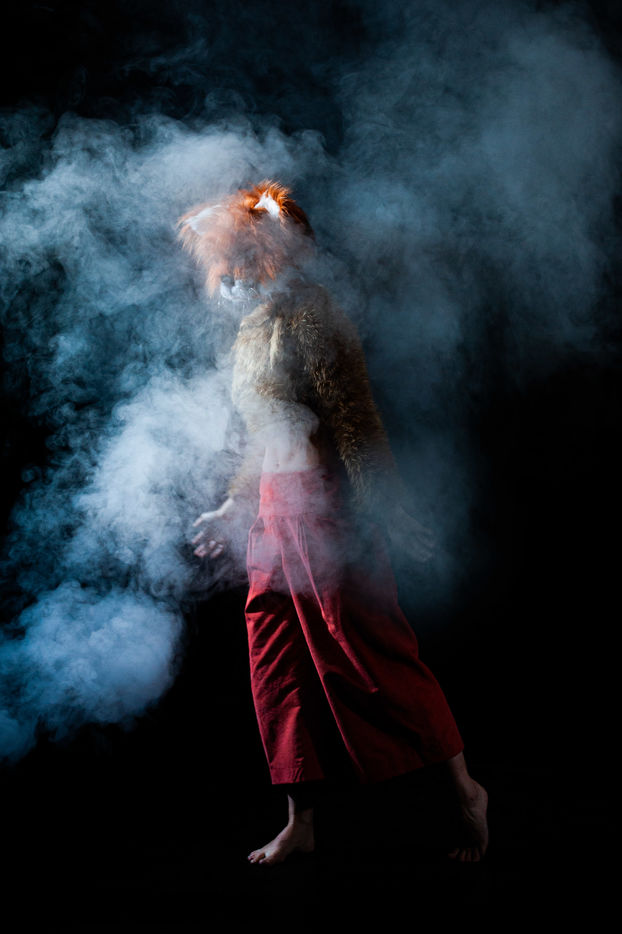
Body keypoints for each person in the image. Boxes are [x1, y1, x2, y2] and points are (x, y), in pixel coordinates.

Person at [179, 180, 489, 865]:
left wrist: (390, 509)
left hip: (323, 506)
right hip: (271, 512)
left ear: (272, 249)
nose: (229, 272)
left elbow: (354, 419)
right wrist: (234, 503)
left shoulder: (315, 313)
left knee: (367, 648)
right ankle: (302, 822)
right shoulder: (250, 330)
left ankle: (466, 791)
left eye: (242, 255)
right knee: (275, 660)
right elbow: (265, 431)